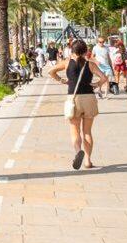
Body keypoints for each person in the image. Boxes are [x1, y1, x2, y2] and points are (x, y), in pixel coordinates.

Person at [47, 39, 109, 170]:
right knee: (87, 132)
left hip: (74, 99)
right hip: (89, 98)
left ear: (72, 50)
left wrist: (61, 80)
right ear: (86, 51)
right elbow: (104, 77)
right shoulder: (90, 64)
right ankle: (87, 161)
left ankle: (77, 151)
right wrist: (97, 84)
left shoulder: (66, 63)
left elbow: (51, 71)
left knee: (75, 130)